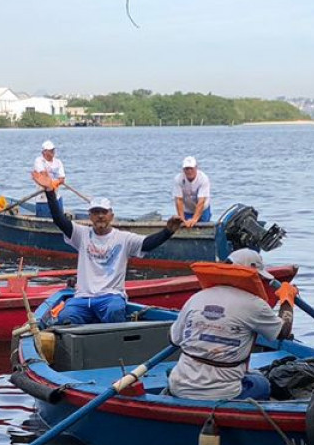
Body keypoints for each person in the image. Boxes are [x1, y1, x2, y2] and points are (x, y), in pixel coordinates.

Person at [167, 249, 296, 401]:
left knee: (173, 370)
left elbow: (173, 338)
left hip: (179, 386)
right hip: (224, 393)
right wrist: (287, 301)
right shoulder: (254, 304)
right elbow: (283, 332)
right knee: (262, 384)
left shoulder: (196, 297)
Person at [43, 188, 181, 324]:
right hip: (83, 298)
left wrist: (167, 232)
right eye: (96, 212)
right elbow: (59, 219)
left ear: (111, 215)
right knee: (66, 317)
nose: (100, 216)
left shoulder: (123, 238)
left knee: (114, 311)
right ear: (89, 216)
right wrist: (50, 191)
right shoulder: (81, 234)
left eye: (104, 212)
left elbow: (148, 244)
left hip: (111, 296)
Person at [174, 156, 211, 225]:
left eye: (191, 168)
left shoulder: (203, 178)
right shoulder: (178, 179)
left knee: (202, 225)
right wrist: (182, 219)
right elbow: (179, 200)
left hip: (203, 208)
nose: (189, 171)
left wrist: (194, 219)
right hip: (187, 209)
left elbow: (201, 201)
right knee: (184, 225)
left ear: (196, 168)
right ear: (183, 169)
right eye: (187, 169)